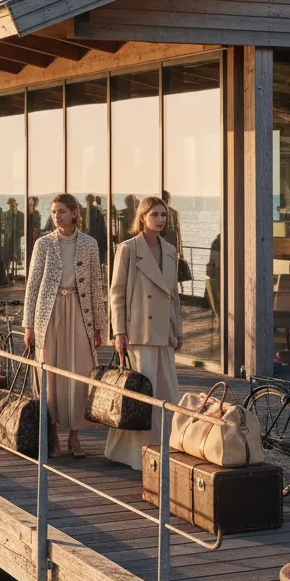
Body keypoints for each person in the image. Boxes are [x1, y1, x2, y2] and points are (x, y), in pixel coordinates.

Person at [23, 195, 106, 459]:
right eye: (54, 212)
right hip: (49, 314)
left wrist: (100, 327)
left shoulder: (89, 244)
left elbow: (95, 285)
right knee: (51, 373)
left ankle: (74, 436)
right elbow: (33, 285)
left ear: (73, 213)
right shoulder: (43, 244)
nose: (57, 216)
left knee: (79, 373)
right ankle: (54, 438)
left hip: (81, 314)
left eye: (62, 211)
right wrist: (28, 326)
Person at [104, 196, 182, 471]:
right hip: (139, 333)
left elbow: (173, 296)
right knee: (141, 396)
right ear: (142, 217)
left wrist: (178, 329)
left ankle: (165, 450)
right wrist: (119, 332)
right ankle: (136, 455)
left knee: (167, 393)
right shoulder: (127, 249)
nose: (160, 219)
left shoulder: (170, 250)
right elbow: (116, 294)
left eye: (163, 215)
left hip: (163, 333)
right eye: (154, 215)